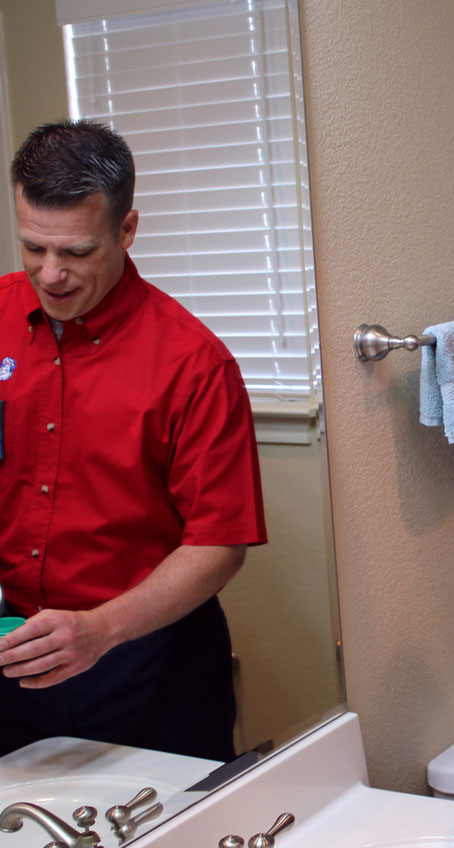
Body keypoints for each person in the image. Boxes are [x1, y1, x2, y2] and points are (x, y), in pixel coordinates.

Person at [0, 120, 266, 762]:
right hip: (12, 657)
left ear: (126, 229)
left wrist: (98, 631)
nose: (52, 274)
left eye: (77, 252)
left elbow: (220, 545)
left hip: (147, 666)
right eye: (33, 248)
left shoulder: (194, 364)